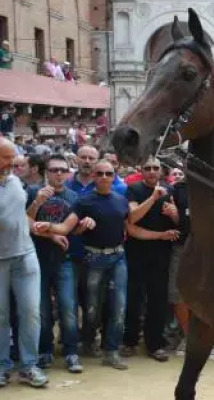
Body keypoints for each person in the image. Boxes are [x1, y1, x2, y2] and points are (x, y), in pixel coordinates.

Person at [34, 160, 131, 370]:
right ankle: (87, 342)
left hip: (118, 258)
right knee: (91, 309)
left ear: (114, 176)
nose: (104, 177)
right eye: (100, 173)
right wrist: (50, 226)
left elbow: (130, 226)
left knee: (119, 306)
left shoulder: (122, 200)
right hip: (93, 258)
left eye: (109, 173)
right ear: (94, 176)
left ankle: (111, 351)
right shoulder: (83, 201)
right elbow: (67, 227)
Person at [25, 154, 83, 373]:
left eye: (63, 170)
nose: (59, 174)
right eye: (54, 170)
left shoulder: (75, 197)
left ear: (68, 173)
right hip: (36, 259)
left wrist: (83, 226)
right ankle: (45, 350)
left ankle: (71, 352)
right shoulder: (32, 192)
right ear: (46, 173)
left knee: (68, 308)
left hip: (64, 259)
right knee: (42, 310)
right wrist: (38, 201)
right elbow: (24, 222)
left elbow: (71, 228)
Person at [0, 137, 48, 388]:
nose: (12, 162)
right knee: (0, 316)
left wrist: (47, 231)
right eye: (6, 157)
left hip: (25, 254)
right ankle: (1, 366)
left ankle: (29, 366)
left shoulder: (15, 182)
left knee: (31, 312)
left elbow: (21, 216)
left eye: (13, 157)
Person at [122, 157, 177, 362]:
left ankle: (155, 344)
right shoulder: (133, 189)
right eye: (148, 168)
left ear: (162, 171)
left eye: (156, 168)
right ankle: (130, 341)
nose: (152, 171)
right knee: (133, 299)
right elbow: (133, 217)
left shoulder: (170, 190)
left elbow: (178, 223)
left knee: (158, 301)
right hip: (136, 252)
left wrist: (174, 215)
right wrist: (153, 198)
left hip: (161, 254)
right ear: (141, 170)